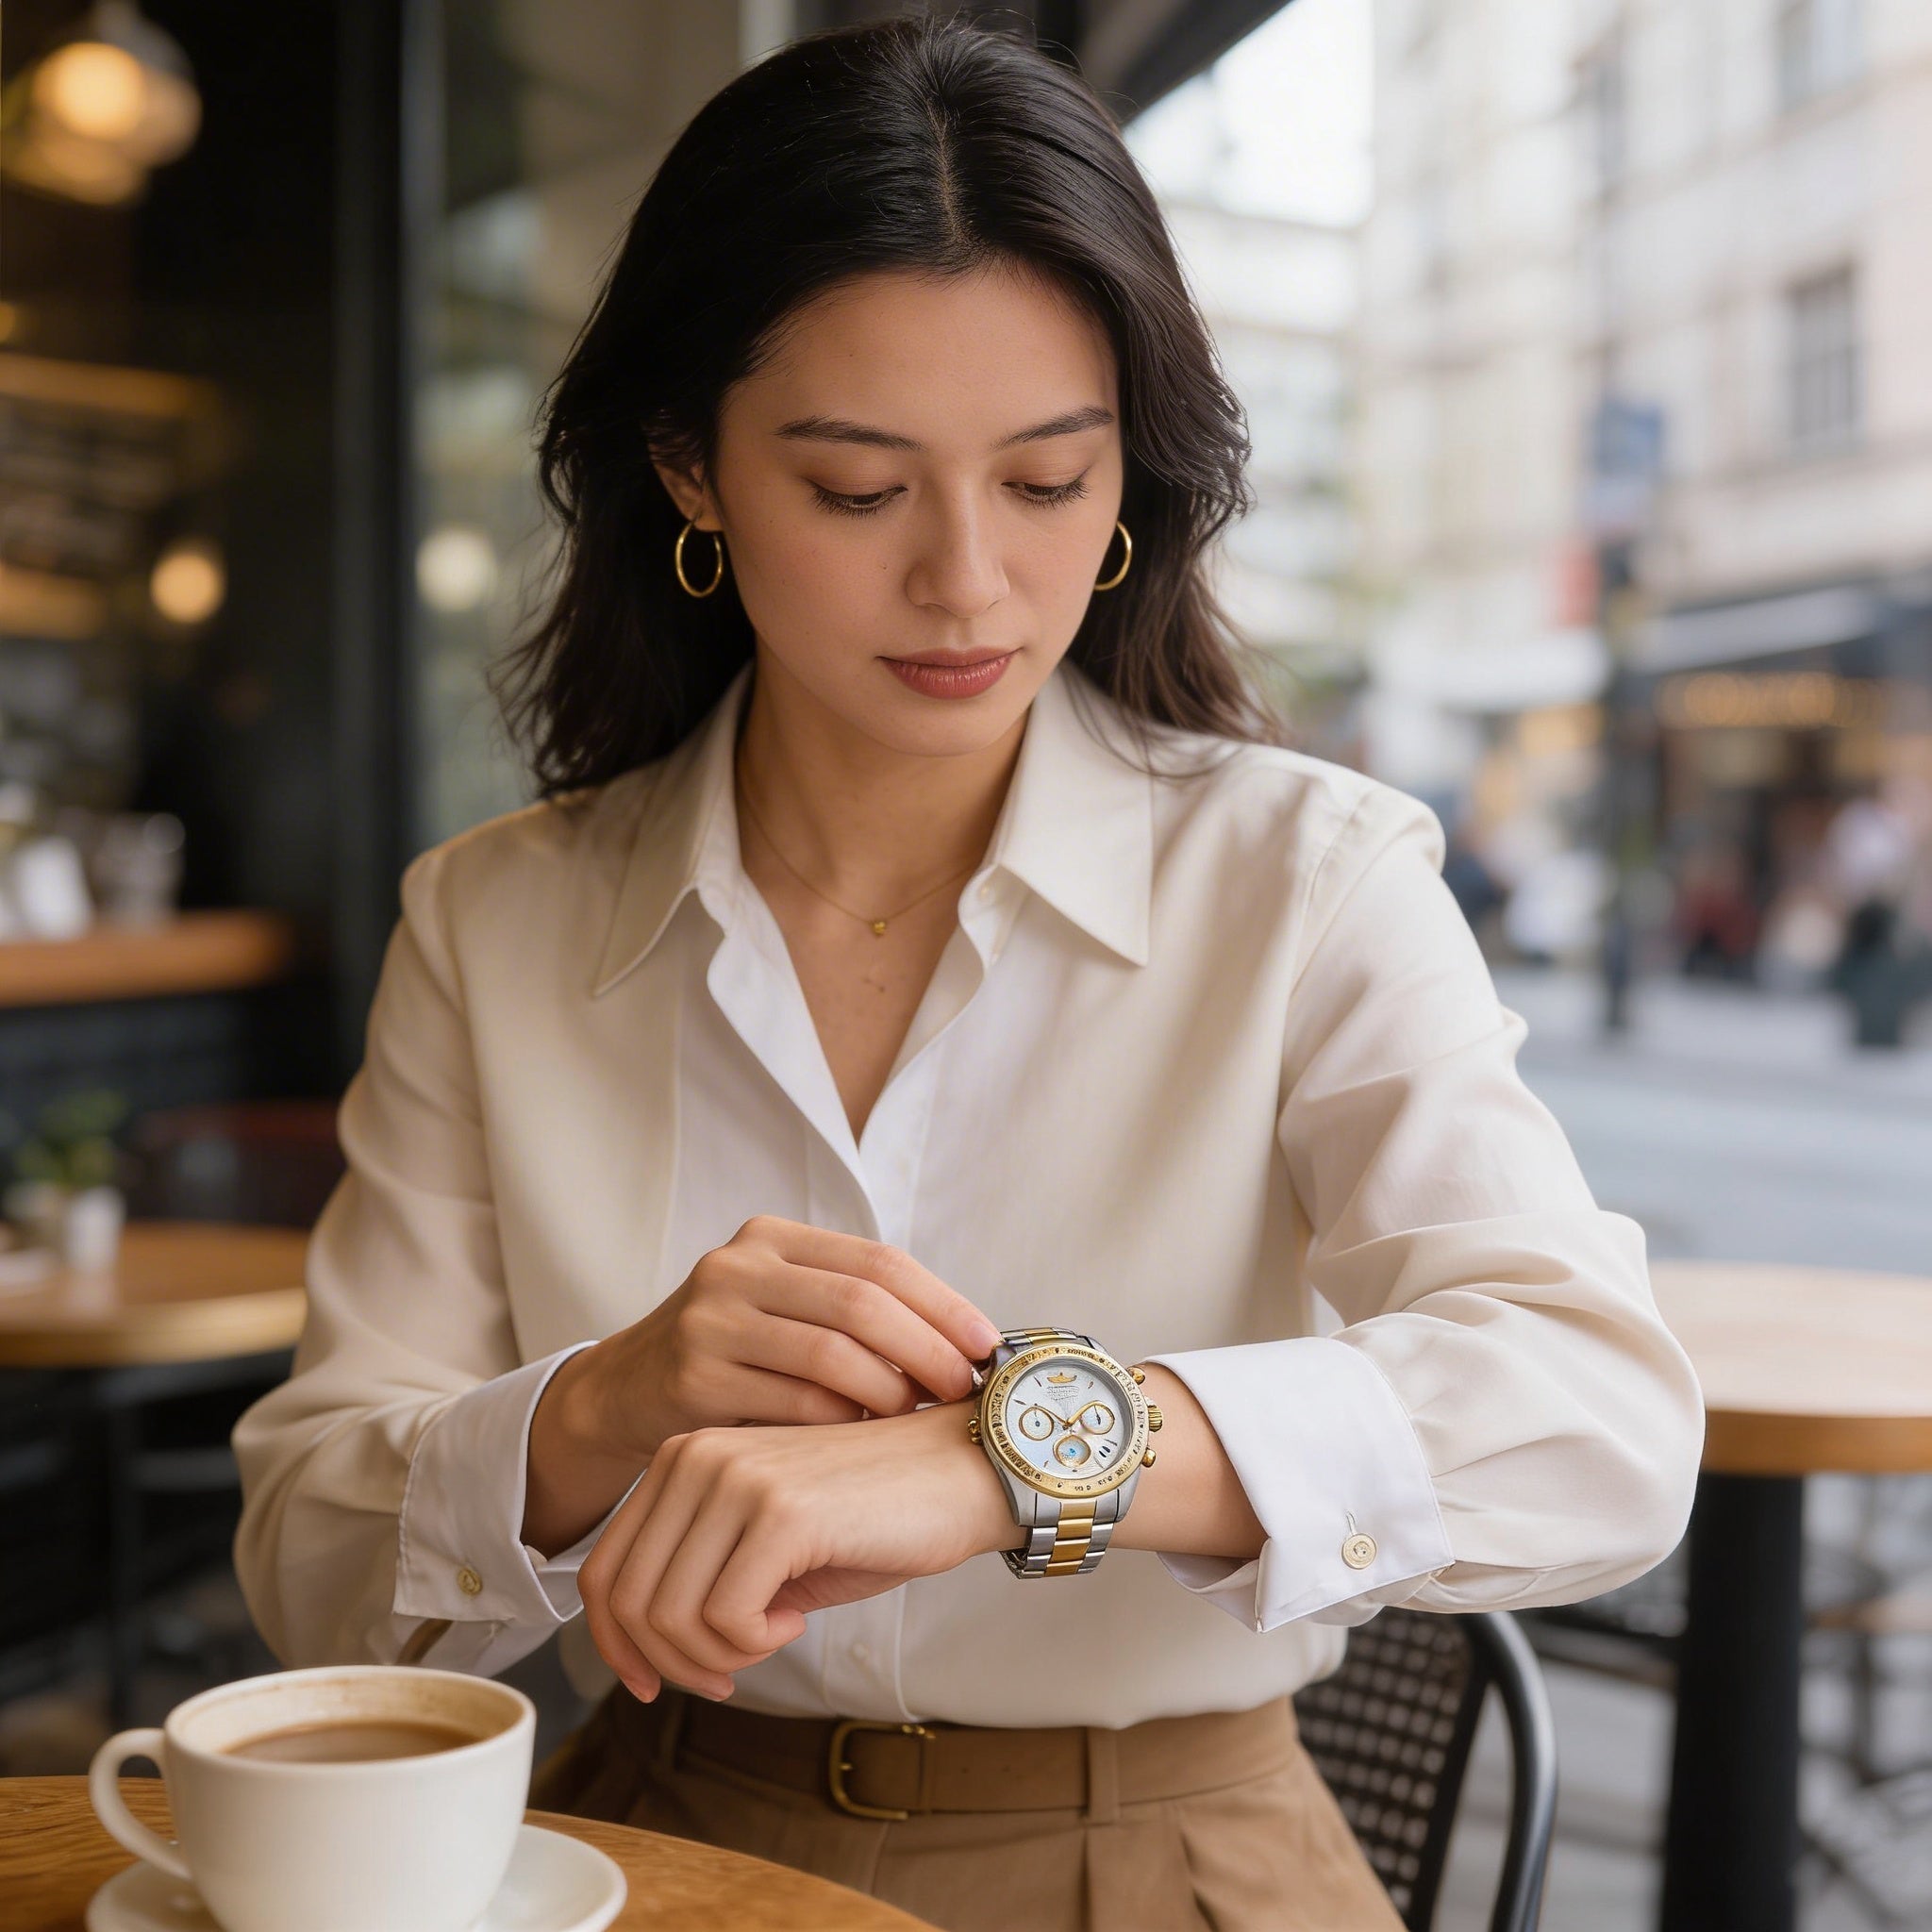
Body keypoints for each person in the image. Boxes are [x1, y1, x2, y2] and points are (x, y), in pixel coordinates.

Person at [232, 18, 1705, 1931]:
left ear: (1133, 479)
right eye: (857, 489)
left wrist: (1009, 1455)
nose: (968, 586)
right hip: (651, 1845)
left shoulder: (1306, 879)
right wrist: (591, 1415)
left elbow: (1593, 1415)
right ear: (688, 465)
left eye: (1042, 482)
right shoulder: (496, 922)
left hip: (1167, 1865)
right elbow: (310, 1572)